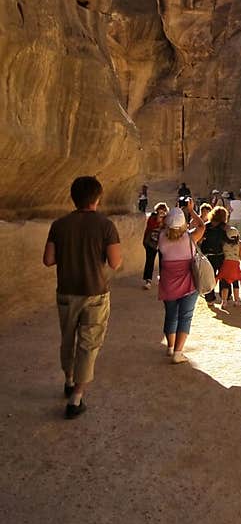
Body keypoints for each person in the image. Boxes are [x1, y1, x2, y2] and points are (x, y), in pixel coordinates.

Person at [42, 175, 123, 418]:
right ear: (98, 198)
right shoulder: (105, 225)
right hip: (95, 292)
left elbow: (48, 260)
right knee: (88, 344)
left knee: (67, 338)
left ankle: (68, 380)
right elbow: (115, 262)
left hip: (66, 291)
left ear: (73, 197)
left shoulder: (59, 225)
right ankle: (76, 398)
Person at [157, 199, 206, 362]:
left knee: (171, 315)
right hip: (188, 285)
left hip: (167, 284)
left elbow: (164, 226)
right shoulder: (190, 238)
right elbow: (202, 226)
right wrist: (191, 210)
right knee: (185, 316)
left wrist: (168, 217)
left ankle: (170, 348)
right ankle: (178, 352)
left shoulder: (162, 238)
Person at [201, 204, 229, 304]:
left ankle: (209, 298)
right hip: (221, 255)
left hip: (208, 255)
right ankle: (225, 297)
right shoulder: (224, 227)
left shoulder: (206, 226)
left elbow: (200, 239)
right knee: (223, 276)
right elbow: (228, 241)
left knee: (209, 277)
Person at [141, 201, 169, 288]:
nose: (162, 213)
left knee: (163, 262)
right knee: (149, 261)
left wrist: (164, 223)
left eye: (164, 211)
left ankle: (163, 280)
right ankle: (148, 280)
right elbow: (149, 227)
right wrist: (157, 221)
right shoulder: (152, 217)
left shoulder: (167, 219)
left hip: (162, 243)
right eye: (160, 210)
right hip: (151, 243)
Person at [217, 225, 241, 310]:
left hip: (226, 264)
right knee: (235, 283)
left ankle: (224, 301)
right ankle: (237, 300)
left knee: (225, 284)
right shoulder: (240, 243)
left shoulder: (223, 243)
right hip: (235, 264)